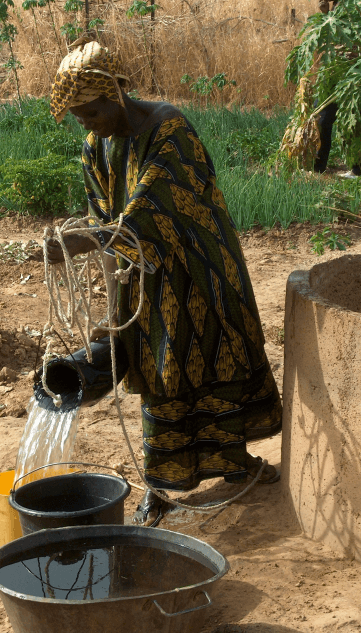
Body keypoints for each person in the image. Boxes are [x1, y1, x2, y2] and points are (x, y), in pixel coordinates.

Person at [47, 40, 282, 526]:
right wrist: (114, 313)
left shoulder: (169, 130)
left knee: (216, 356)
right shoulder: (96, 147)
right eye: (78, 117)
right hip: (146, 280)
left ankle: (235, 465)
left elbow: (151, 216)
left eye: (90, 112)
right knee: (160, 369)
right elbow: (111, 231)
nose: (86, 124)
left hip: (201, 269)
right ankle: (161, 483)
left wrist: (87, 240)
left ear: (115, 93)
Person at [315, 0, 360, 177]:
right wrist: (325, 13)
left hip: (352, 73)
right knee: (322, 118)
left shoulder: (352, 5)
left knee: (352, 121)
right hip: (333, 72)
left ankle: (357, 169)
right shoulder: (333, 10)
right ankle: (318, 167)